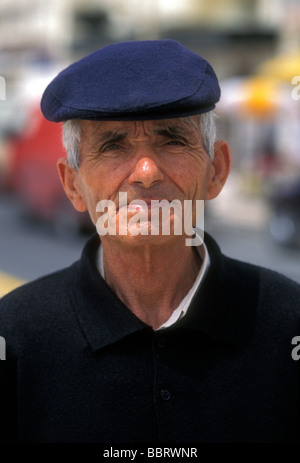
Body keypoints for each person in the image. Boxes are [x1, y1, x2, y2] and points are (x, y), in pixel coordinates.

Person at [0, 39, 299, 444]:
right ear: (73, 184)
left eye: (172, 140)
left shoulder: (288, 325)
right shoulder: (14, 336)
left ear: (217, 169)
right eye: (112, 145)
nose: (145, 171)